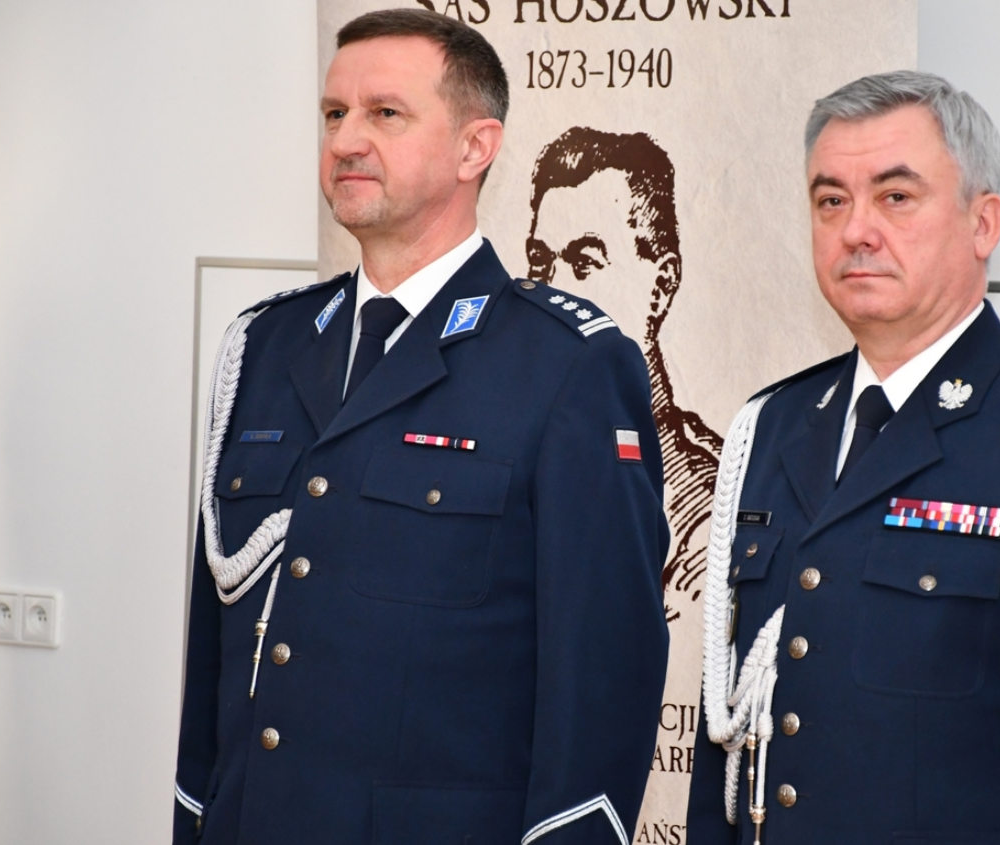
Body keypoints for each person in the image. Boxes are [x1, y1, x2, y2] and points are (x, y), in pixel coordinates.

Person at [172, 10, 669, 845]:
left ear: (476, 147)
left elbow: (602, 688)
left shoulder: (568, 368)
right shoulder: (264, 346)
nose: (346, 141)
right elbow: (212, 661)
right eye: (335, 114)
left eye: (385, 113)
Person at [688, 71, 1000, 843]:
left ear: (983, 224)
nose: (856, 229)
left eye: (895, 196)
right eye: (831, 200)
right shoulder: (772, 426)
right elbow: (730, 743)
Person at [526, 127, 722, 623]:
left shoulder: (709, 509)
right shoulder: (504, 444)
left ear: (662, 286)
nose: (552, 290)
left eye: (584, 263)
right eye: (540, 261)